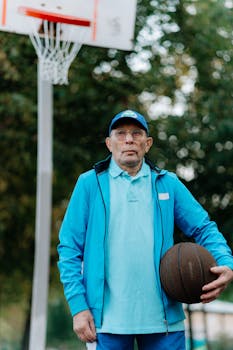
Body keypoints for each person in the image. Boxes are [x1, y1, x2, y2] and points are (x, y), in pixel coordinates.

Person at [57, 109, 233, 350]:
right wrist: (78, 306)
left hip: (165, 322)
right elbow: (69, 249)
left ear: (147, 143)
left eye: (136, 133)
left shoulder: (167, 183)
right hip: (106, 323)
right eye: (121, 134)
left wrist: (226, 263)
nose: (129, 139)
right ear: (109, 144)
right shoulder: (89, 184)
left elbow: (204, 228)